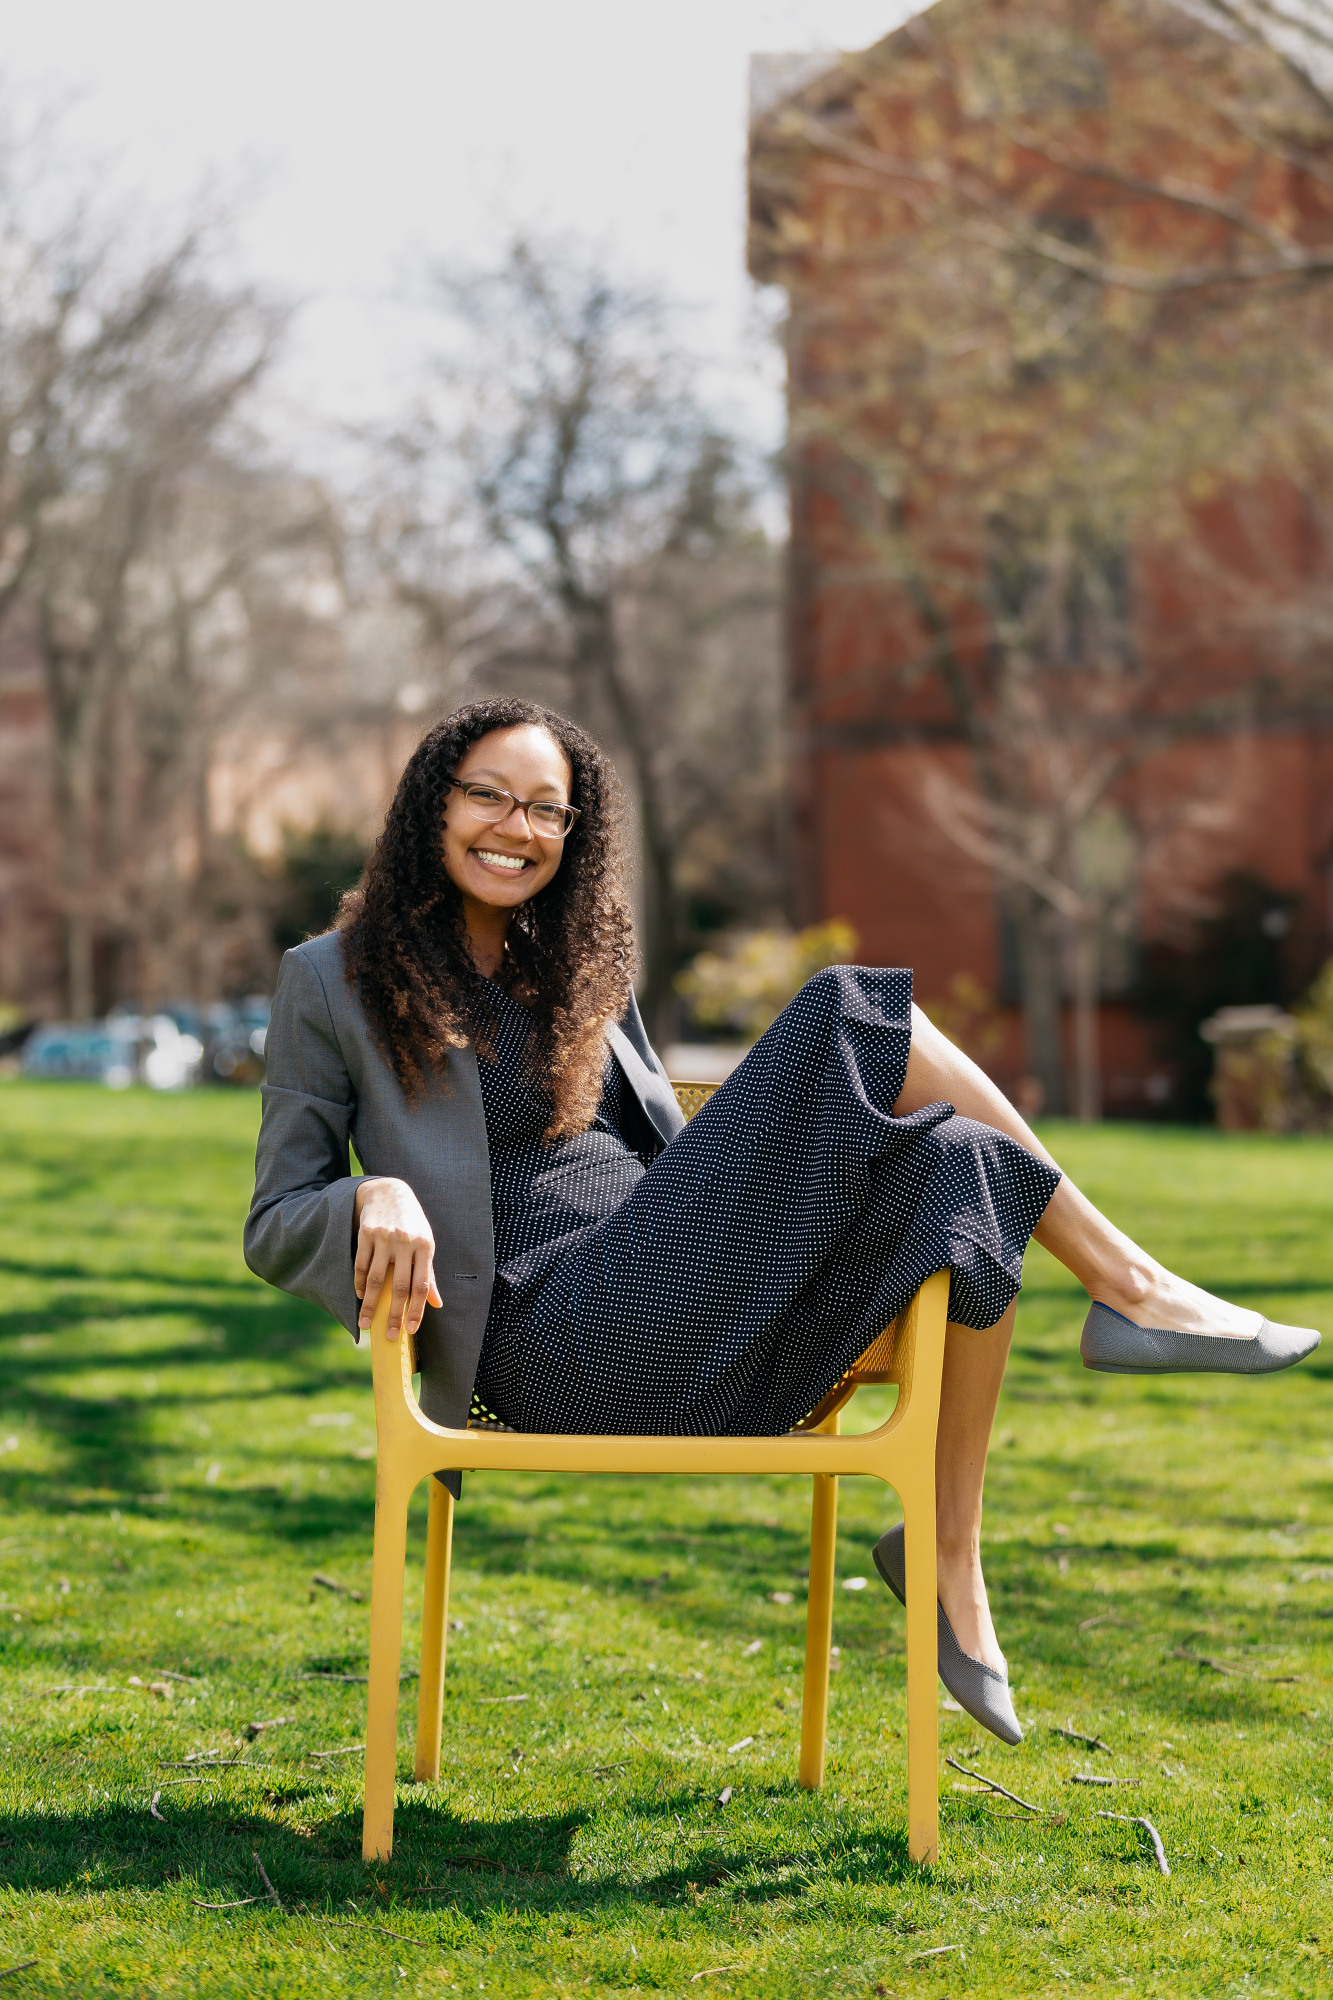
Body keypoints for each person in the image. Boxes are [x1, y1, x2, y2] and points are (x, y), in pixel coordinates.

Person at [245, 698, 1319, 1746]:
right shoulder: (329, 980)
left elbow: (658, 1151)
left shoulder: (575, 968)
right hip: (561, 1342)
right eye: (487, 796)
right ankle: (1130, 1286)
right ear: (433, 803)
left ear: (573, 833)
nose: (515, 828)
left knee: (968, 1163)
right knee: (851, 1004)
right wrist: (371, 1194)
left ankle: (947, 1549)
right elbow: (276, 1216)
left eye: (546, 809)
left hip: (701, 1318)